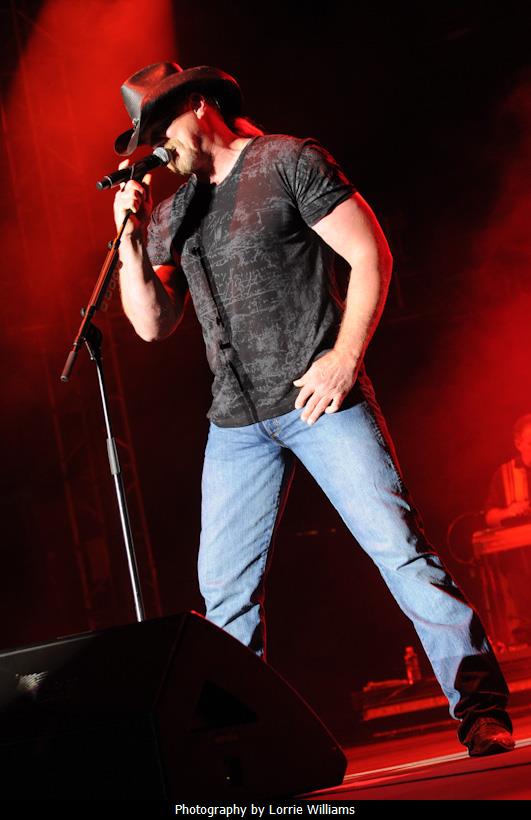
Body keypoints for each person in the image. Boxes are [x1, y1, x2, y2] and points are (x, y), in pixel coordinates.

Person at [113, 62, 514, 757]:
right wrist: (128, 240)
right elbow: (152, 324)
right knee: (225, 594)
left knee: (399, 552)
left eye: (160, 130)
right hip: (235, 424)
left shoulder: (287, 160)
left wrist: (344, 356)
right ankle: (238, 750)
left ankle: (479, 708)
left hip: (319, 401)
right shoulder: (176, 212)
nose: (156, 149)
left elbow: (369, 253)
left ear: (199, 105)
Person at [485, 414, 531, 528]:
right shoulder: (504, 474)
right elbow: (489, 518)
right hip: (520, 537)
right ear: (518, 444)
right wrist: (508, 512)